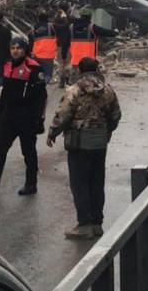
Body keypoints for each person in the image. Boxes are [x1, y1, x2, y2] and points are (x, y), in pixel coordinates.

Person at [47, 58, 122, 239]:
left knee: (80, 184)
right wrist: (105, 131)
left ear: (80, 70)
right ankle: (97, 223)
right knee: (96, 182)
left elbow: (63, 115)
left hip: (79, 143)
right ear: (97, 70)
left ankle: (84, 224)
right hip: (99, 143)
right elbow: (116, 115)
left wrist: (52, 132)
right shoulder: (108, 90)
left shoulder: (74, 90)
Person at [0, 38, 48, 197]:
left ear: (25, 50)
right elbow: (5, 94)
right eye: (12, 48)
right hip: (8, 117)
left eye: (18, 48)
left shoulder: (34, 68)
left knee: (28, 152)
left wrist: (39, 120)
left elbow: (41, 97)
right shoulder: (7, 66)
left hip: (27, 118)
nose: (15, 51)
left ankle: (31, 184)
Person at [69, 8, 117, 77]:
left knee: (75, 80)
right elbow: (105, 32)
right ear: (89, 17)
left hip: (75, 60)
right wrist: (115, 33)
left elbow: (65, 42)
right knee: (89, 81)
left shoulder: (71, 27)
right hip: (89, 62)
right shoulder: (92, 27)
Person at [30, 12, 57, 83]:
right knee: (48, 75)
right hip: (48, 56)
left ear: (38, 19)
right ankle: (42, 88)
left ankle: (36, 89)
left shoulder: (33, 28)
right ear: (47, 18)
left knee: (36, 75)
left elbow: (30, 42)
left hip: (36, 55)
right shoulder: (51, 26)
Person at [54, 8, 73, 89]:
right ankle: (68, 80)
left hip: (59, 45)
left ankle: (61, 82)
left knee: (61, 64)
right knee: (68, 63)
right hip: (68, 45)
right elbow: (66, 25)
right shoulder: (67, 24)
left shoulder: (55, 24)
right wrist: (65, 17)